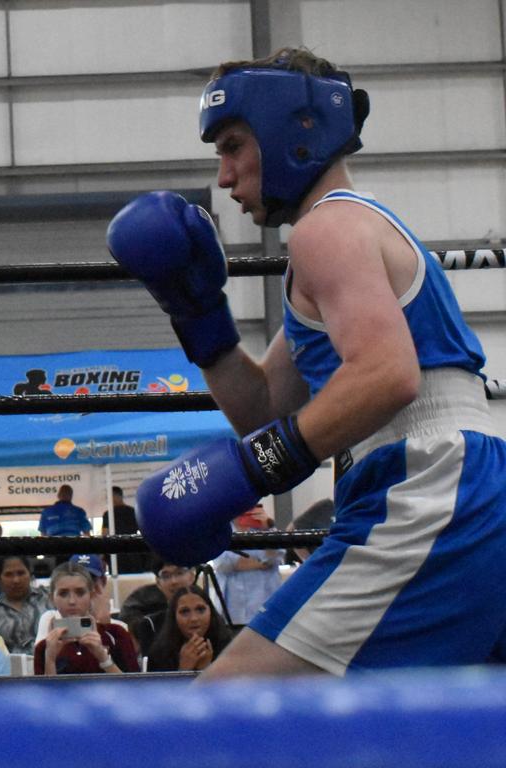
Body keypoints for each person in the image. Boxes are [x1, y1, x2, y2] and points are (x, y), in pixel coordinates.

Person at [108, 46, 506, 676]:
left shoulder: (329, 230)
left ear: (289, 129)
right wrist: (198, 315)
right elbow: (266, 407)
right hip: (454, 483)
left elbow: (387, 375)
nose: (224, 176)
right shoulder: (338, 235)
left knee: (228, 712)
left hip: (427, 487)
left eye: (234, 145)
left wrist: (255, 471)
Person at [33, 561, 138, 676]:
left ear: (91, 595)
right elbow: (45, 693)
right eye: (63, 594)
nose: (72, 601)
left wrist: (104, 659)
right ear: (52, 598)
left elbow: (134, 688)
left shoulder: (116, 634)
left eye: (80, 593)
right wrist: (50, 660)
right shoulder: (44, 647)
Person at [212, 506, 285, 626]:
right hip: (232, 613)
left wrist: (267, 530)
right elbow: (224, 563)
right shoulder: (220, 530)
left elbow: (275, 557)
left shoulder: (267, 529)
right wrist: (263, 563)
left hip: (265, 610)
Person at [145, 585, 233, 673]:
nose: (194, 618)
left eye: (200, 609)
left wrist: (205, 669)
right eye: (185, 612)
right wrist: (184, 669)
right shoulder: (159, 654)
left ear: (211, 612)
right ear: (174, 617)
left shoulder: (230, 648)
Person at [119, 558, 196, 653]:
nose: (173, 581)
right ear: (158, 582)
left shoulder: (205, 605)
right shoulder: (143, 604)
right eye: (166, 576)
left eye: (179, 573)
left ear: (192, 575)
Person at [0, 556, 51, 654]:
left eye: (21, 573)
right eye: (8, 574)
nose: (16, 580)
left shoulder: (49, 598)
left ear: (30, 574)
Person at [100, 486, 148, 573]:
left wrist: (102, 556)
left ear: (114, 496)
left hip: (117, 552)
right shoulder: (134, 511)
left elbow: (105, 535)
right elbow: (143, 531)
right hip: (133, 550)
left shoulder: (108, 514)